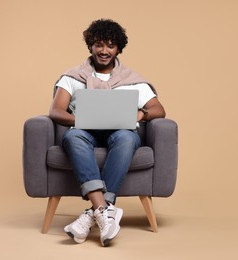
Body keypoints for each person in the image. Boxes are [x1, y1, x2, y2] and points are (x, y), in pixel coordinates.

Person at [49, 18, 166, 247]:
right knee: (72, 136)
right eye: (99, 45)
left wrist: (140, 115)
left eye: (110, 45)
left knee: (126, 136)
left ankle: (93, 213)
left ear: (118, 49)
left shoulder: (133, 80)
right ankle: (104, 211)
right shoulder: (73, 77)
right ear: (91, 46)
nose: (104, 51)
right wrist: (83, 120)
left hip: (119, 131)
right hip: (85, 131)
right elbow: (55, 111)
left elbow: (159, 110)